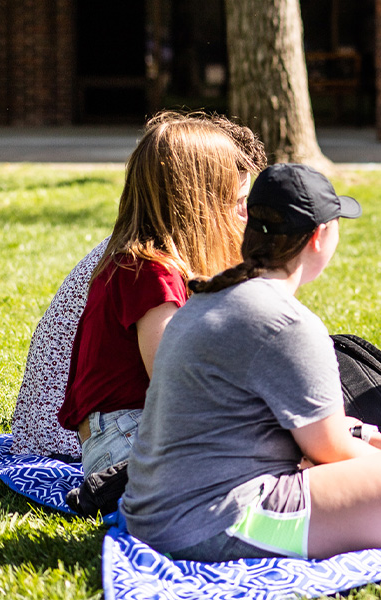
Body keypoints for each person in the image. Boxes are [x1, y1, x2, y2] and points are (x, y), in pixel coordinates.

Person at [122, 164, 381, 560]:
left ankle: (368, 526)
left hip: (151, 515)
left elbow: (303, 430)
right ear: (318, 236)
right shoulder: (286, 322)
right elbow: (330, 450)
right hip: (208, 526)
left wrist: (366, 436)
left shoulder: (207, 300)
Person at [52, 111, 265, 475]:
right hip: (126, 440)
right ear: (197, 203)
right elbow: (176, 379)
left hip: (139, 431)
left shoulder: (157, 264)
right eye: (236, 200)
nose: (244, 214)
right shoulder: (149, 270)